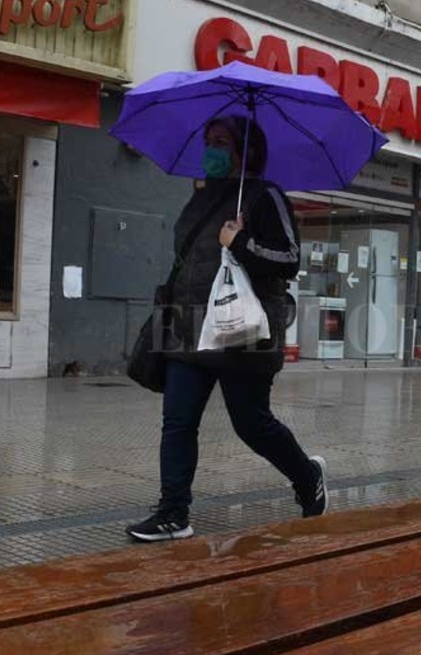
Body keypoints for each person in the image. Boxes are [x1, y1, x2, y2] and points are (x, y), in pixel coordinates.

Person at [127, 116, 327, 542]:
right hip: (187, 325)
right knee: (178, 421)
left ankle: (307, 475)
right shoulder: (199, 196)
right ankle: (173, 512)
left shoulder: (265, 196)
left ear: (246, 150)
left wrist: (238, 242)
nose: (211, 150)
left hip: (244, 329)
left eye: (222, 142)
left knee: (251, 423)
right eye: (208, 141)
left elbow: (289, 258)